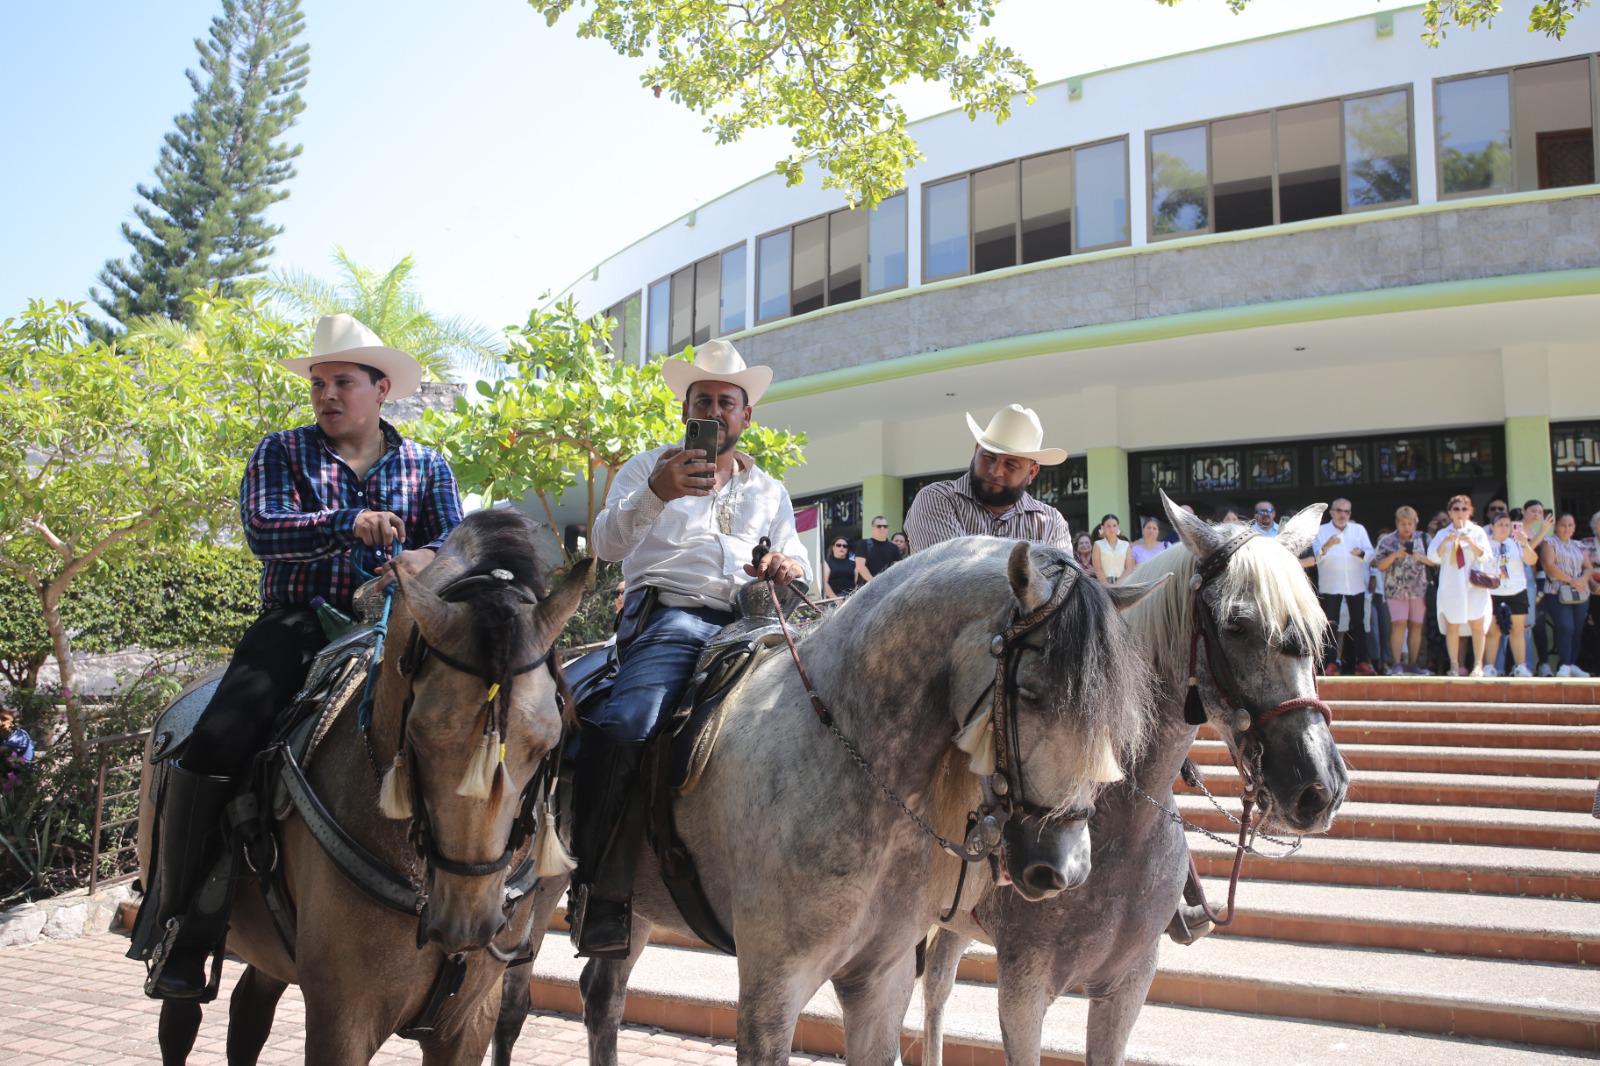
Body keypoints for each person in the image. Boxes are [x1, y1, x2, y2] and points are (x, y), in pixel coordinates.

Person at [132, 315, 461, 1000]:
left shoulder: (429, 467)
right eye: (319, 383)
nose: (327, 394)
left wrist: (429, 555)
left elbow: (459, 547)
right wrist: (349, 522)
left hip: (398, 631)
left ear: (382, 389)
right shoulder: (281, 452)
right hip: (297, 626)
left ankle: (478, 918)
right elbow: (263, 530)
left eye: (343, 381)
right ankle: (179, 923)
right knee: (217, 738)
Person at [577, 339, 810, 957]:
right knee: (626, 725)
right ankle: (600, 887)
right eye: (702, 399)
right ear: (686, 409)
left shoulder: (771, 491)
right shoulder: (646, 467)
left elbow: (800, 560)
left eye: (726, 401)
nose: (715, 409)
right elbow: (605, 545)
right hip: (672, 621)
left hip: (752, 624)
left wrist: (787, 566)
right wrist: (657, 491)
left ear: (746, 415)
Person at [904, 404, 1071, 552]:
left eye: (1011, 465)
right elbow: (949, 577)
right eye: (989, 457)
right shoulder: (936, 499)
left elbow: (1064, 585)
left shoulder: (1051, 522)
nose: (996, 471)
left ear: (1032, 472)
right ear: (976, 450)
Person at [1307, 498, 1375, 675]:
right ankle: (1330, 662)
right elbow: (1315, 558)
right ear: (1331, 512)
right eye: (1339, 511)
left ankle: (1362, 662)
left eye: (1346, 512)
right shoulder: (1321, 531)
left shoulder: (1358, 530)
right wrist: (1327, 546)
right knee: (1331, 625)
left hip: (1355, 584)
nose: (1342, 515)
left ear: (1350, 514)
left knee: (1358, 624)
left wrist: (1361, 554)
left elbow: (1371, 554)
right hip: (1331, 584)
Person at [1427, 495, 1493, 677]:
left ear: (1470, 512)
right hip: (1452, 585)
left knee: (1477, 623)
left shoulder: (1477, 532)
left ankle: (1478, 665)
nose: (1460, 513)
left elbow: (1486, 556)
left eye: (1464, 509)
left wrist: (1471, 542)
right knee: (1453, 625)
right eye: (1456, 509)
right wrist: (1445, 542)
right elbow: (1432, 557)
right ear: (1449, 512)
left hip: (1473, 585)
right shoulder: (1442, 534)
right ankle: (1454, 665)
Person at [1373, 507, 1434, 675]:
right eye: (1403, 524)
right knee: (1399, 624)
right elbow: (1379, 565)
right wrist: (1394, 555)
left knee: (1416, 626)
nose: (1406, 527)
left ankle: (1413, 664)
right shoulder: (1387, 541)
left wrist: (1420, 557)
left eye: (1410, 523)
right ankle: (1396, 664)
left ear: (1415, 523)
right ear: (1397, 523)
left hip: (1419, 590)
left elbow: (1436, 562)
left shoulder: (1424, 538)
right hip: (1395, 590)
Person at [1539, 512, 1593, 677]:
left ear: (1575, 527)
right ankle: (1563, 665)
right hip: (1556, 592)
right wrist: (1571, 580)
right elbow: (1549, 566)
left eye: (1570, 525)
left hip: (1580, 593)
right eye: (1563, 525)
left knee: (1577, 629)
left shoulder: (1579, 545)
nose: (1567, 528)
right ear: (1556, 526)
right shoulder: (1549, 542)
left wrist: (1582, 579)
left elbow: (1589, 567)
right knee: (1565, 627)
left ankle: (1572, 664)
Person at [1484, 512, 1538, 677]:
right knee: (1493, 632)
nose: (1504, 528)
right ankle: (1489, 667)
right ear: (1492, 527)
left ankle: (1520, 666)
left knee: (1517, 630)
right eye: (1500, 524)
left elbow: (1532, 560)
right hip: (1492, 592)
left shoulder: (1516, 542)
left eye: (1507, 525)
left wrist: (1525, 545)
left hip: (1516, 591)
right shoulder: (1485, 543)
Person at [854, 515, 901, 586]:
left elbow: (897, 569)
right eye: (879, 526)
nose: (882, 528)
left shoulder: (893, 547)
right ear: (873, 528)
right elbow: (860, 567)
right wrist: (875, 584)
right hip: (865, 588)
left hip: (886, 587)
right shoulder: (863, 544)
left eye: (885, 526)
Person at [1092, 514, 1131, 586]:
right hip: (1104, 585)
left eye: (1114, 525)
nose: (1112, 529)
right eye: (1108, 526)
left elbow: (1128, 568)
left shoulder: (1126, 545)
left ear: (1118, 527)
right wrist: (1107, 585)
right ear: (1102, 527)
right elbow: (1097, 569)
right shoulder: (1097, 544)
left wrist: (1118, 584)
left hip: (1123, 584)